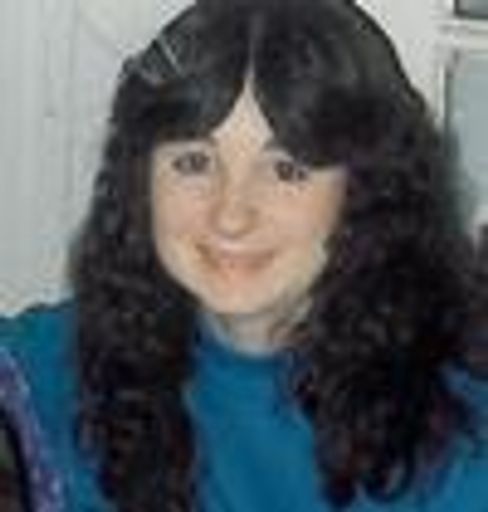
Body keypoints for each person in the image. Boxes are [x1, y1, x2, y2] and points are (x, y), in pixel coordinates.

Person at [1, 0, 488, 510]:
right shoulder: (49, 373)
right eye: (194, 162)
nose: (231, 215)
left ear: (365, 190)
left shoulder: (463, 441)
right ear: (141, 182)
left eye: (286, 170)